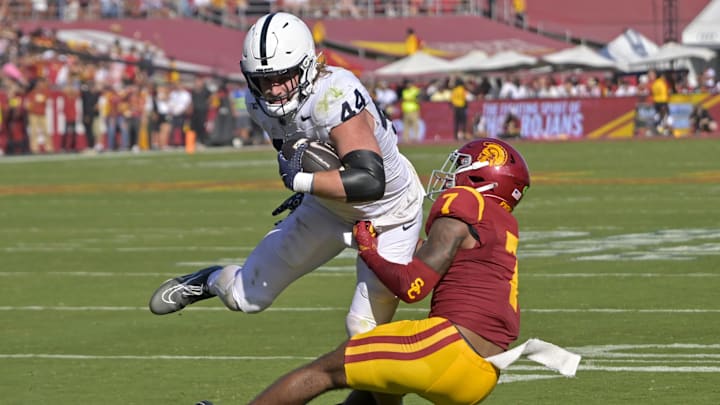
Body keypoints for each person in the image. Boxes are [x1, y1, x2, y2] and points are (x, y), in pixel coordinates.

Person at [148, 12, 425, 342]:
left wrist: (302, 182)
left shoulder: (334, 95)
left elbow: (369, 181)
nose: (274, 89)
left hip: (391, 216)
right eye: (264, 79)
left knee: (363, 333)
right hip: (327, 210)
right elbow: (293, 148)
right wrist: (311, 187)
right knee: (245, 297)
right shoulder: (258, 101)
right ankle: (208, 280)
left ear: (306, 67)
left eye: (283, 77)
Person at [249, 138, 579, 405]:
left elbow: (412, 287)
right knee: (377, 386)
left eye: (462, 167)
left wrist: (370, 252)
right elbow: (436, 255)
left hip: (449, 348)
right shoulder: (499, 223)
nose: (451, 176)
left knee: (323, 371)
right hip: (482, 375)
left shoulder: (465, 201)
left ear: (481, 176)